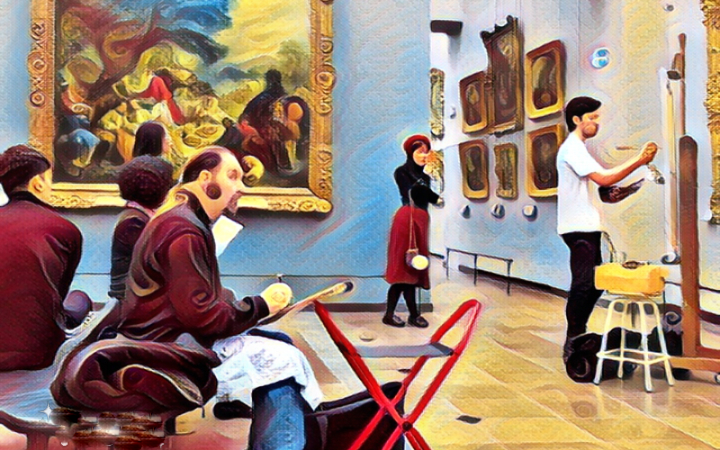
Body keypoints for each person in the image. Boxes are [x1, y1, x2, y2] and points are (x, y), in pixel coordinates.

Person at [114, 147, 316, 448]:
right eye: (232, 176)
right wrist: (262, 305)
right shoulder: (184, 230)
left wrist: (241, 305)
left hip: (166, 336)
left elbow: (189, 299)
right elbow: (202, 317)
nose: (241, 187)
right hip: (168, 348)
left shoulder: (183, 219)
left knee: (280, 342)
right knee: (284, 359)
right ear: (205, 178)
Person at [557, 96, 658, 363]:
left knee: (594, 283)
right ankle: (573, 339)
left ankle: (577, 333)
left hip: (585, 226)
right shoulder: (572, 148)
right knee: (584, 284)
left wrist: (627, 188)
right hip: (578, 226)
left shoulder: (579, 149)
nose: (596, 123)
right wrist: (639, 160)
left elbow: (601, 189)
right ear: (577, 120)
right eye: (592, 118)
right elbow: (603, 178)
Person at [0, 145, 91, 371]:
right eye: (49, 179)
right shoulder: (64, 229)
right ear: (38, 183)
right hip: (37, 353)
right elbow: (57, 295)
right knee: (80, 298)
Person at [108, 155, 174, 301]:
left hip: (143, 293)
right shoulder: (134, 223)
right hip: (131, 299)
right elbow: (155, 263)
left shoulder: (140, 216)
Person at [383, 184, 436, 329]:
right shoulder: (421, 214)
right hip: (412, 256)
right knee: (405, 284)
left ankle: (405, 315)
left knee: (402, 284)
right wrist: (423, 261)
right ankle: (407, 316)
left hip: (399, 254)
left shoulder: (402, 211)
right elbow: (422, 240)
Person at [393, 134, 440, 206]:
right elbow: (411, 194)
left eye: (427, 152)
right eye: (420, 152)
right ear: (411, 154)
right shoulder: (401, 172)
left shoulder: (432, 169)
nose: (424, 156)